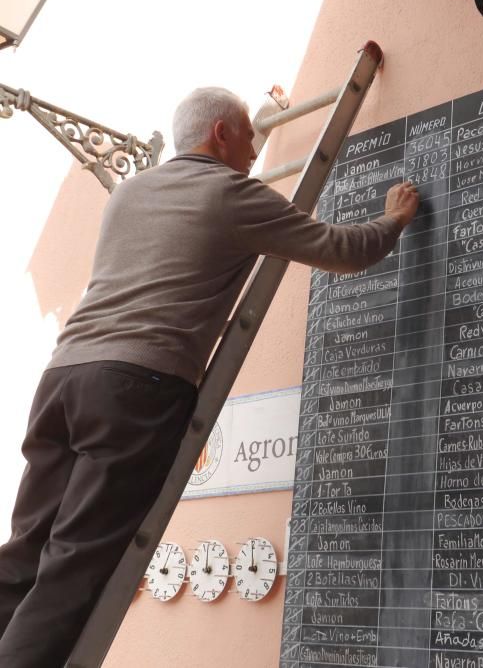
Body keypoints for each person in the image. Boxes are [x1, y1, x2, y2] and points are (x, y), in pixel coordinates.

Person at [0, 86, 419, 666]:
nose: (254, 151)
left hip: (64, 378)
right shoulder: (231, 194)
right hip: (135, 386)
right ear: (221, 133)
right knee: (75, 563)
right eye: (249, 135)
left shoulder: (128, 192)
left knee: (25, 551)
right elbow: (342, 250)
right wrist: (395, 217)